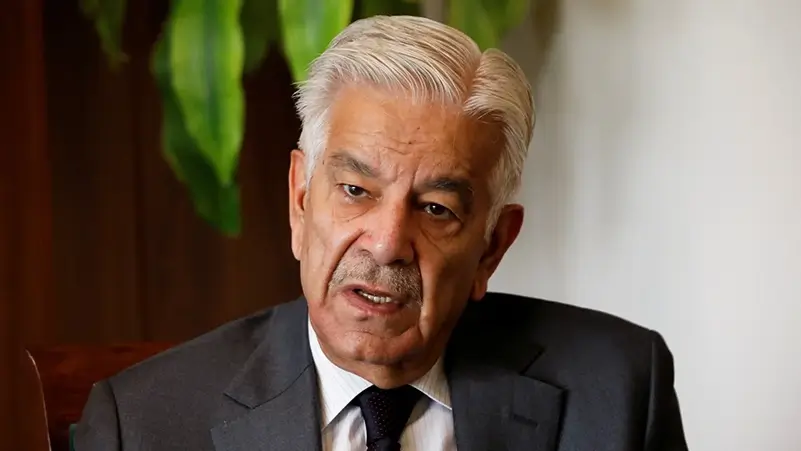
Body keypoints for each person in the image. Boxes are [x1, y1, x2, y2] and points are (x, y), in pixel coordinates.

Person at [75, 15, 688, 451]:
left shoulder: (616, 391)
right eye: (355, 191)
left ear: (492, 247)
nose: (387, 242)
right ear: (299, 201)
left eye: (436, 209)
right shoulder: (145, 425)